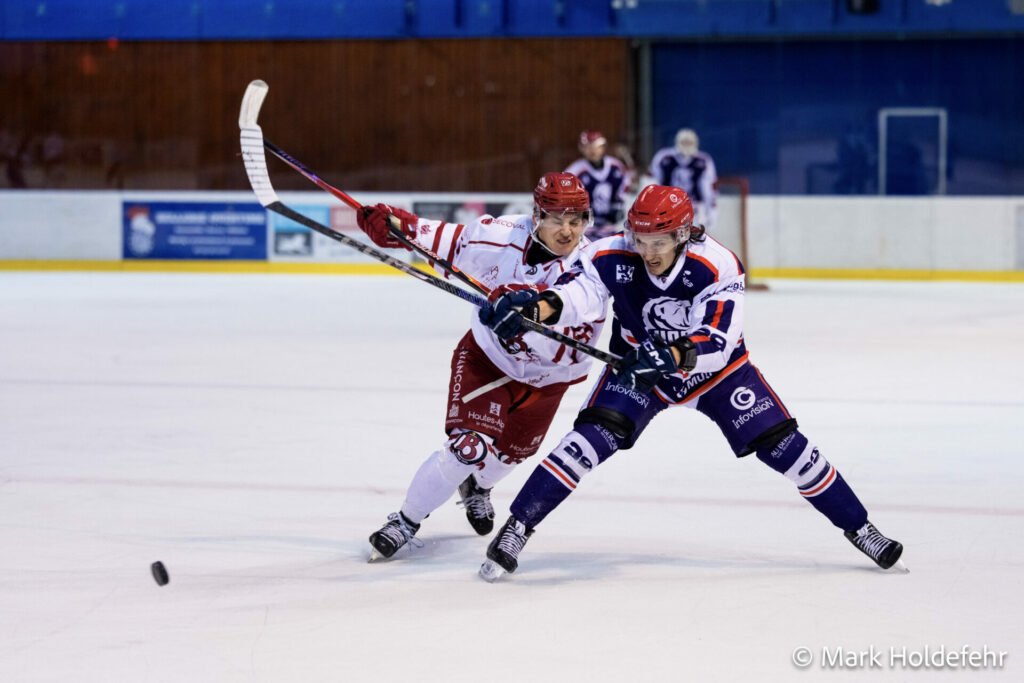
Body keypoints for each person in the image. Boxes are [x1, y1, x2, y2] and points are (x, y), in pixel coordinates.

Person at [477, 185, 904, 580]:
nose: (647, 252)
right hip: (640, 367)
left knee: (788, 450)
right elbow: (577, 297)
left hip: (715, 374)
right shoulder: (611, 253)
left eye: (658, 242)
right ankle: (517, 528)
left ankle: (861, 527)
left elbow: (719, 341)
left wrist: (674, 355)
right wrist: (535, 309)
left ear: (683, 233)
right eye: (640, 241)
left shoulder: (717, 264)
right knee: (586, 443)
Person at [357, 172, 608, 560]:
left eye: (576, 220)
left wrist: (528, 318)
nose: (567, 230)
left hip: (549, 379)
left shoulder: (591, 268)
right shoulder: (498, 235)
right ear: (536, 214)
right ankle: (405, 521)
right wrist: (393, 225)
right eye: (557, 219)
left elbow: (573, 319)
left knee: (511, 457)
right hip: (488, 360)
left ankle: (478, 488)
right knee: (468, 448)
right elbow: (444, 240)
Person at [565, 131, 632, 240]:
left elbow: (624, 189)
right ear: (581, 149)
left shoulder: (616, 166)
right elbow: (565, 197)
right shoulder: (575, 171)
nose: (592, 150)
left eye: (595, 146)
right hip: (584, 230)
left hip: (610, 226)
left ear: (603, 147)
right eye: (587, 147)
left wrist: (618, 207)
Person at [648, 128, 718, 230]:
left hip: (694, 209)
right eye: (684, 142)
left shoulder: (703, 161)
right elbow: (651, 184)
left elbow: (709, 189)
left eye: (689, 142)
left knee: (694, 241)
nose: (686, 145)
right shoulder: (663, 157)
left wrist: (711, 210)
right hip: (667, 209)